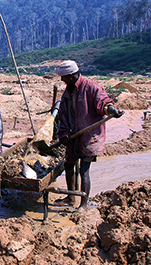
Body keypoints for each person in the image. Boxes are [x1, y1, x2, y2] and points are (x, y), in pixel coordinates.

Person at [54, 60, 123, 209]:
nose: (62, 80)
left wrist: (112, 111)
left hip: (90, 135)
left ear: (72, 76)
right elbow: (63, 115)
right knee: (69, 164)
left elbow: (104, 104)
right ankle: (71, 197)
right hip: (74, 135)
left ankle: (83, 205)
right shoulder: (68, 92)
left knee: (84, 170)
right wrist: (64, 133)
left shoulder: (92, 88)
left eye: (64, 77)